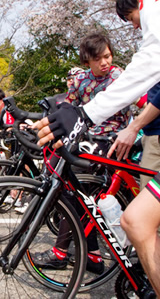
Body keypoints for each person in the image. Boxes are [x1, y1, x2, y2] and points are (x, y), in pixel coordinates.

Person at [32, 0, 160, 295]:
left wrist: (124, 123)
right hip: (96, 135)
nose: (135, 26)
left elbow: (149, 65)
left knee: (103, 203)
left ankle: (78, 252)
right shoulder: (82, 78)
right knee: (134, 219)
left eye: (131, 19)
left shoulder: (153, 9)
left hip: (113, 139)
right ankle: (88, 252)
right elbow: (69, 101)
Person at [34, 32, 132, 275]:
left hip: (111, 141)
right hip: (83, 139)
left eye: (108, 56)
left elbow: (141, 102)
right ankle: (92, 255)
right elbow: (69, 107)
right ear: (87, 61)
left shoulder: (120, 77)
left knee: (77, 192)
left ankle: (61, 252)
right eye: (98, 59)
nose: (105, 63)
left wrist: (133, 128)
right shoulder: (80, 80)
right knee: (58, 177)